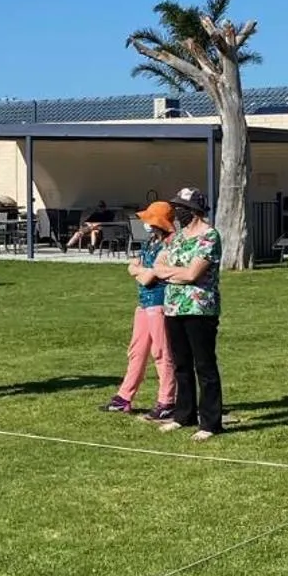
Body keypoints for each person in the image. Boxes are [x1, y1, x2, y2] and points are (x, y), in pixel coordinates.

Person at [150, 186, 225, 441]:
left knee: (204, 365)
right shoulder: (178, 236)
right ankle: (184, 415)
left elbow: (193, 273)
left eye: (181, 208)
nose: (177, 212)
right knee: (181, 364)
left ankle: (211, 423)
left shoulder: (209, 236)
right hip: (173, 307)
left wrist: (170, 273)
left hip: (199, 308)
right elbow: (158, 265)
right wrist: (175, 274)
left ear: (194, 210)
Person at [104, 201, 177, 418]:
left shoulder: (169, 246)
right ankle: (124, 396)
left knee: (161, 352)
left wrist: (139, 270)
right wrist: (140, 270)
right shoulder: (150, 243)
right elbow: (132, 266)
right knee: (137, 350)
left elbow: (147, 277)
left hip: (159, 302)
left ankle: (167, 400)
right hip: (144, 304)